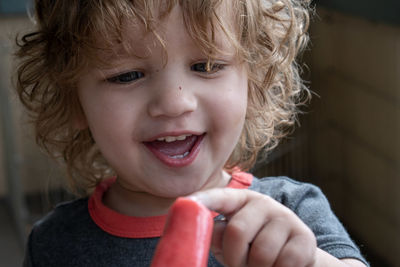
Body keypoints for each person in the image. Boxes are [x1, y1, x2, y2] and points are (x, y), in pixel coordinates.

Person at [15, 0, 368, 266]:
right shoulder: (53, 244)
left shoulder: (295, 213)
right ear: (74, 101)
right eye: (126, 75)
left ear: (254, 81)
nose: (174, 103)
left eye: (208, 65)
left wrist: (310, 261)